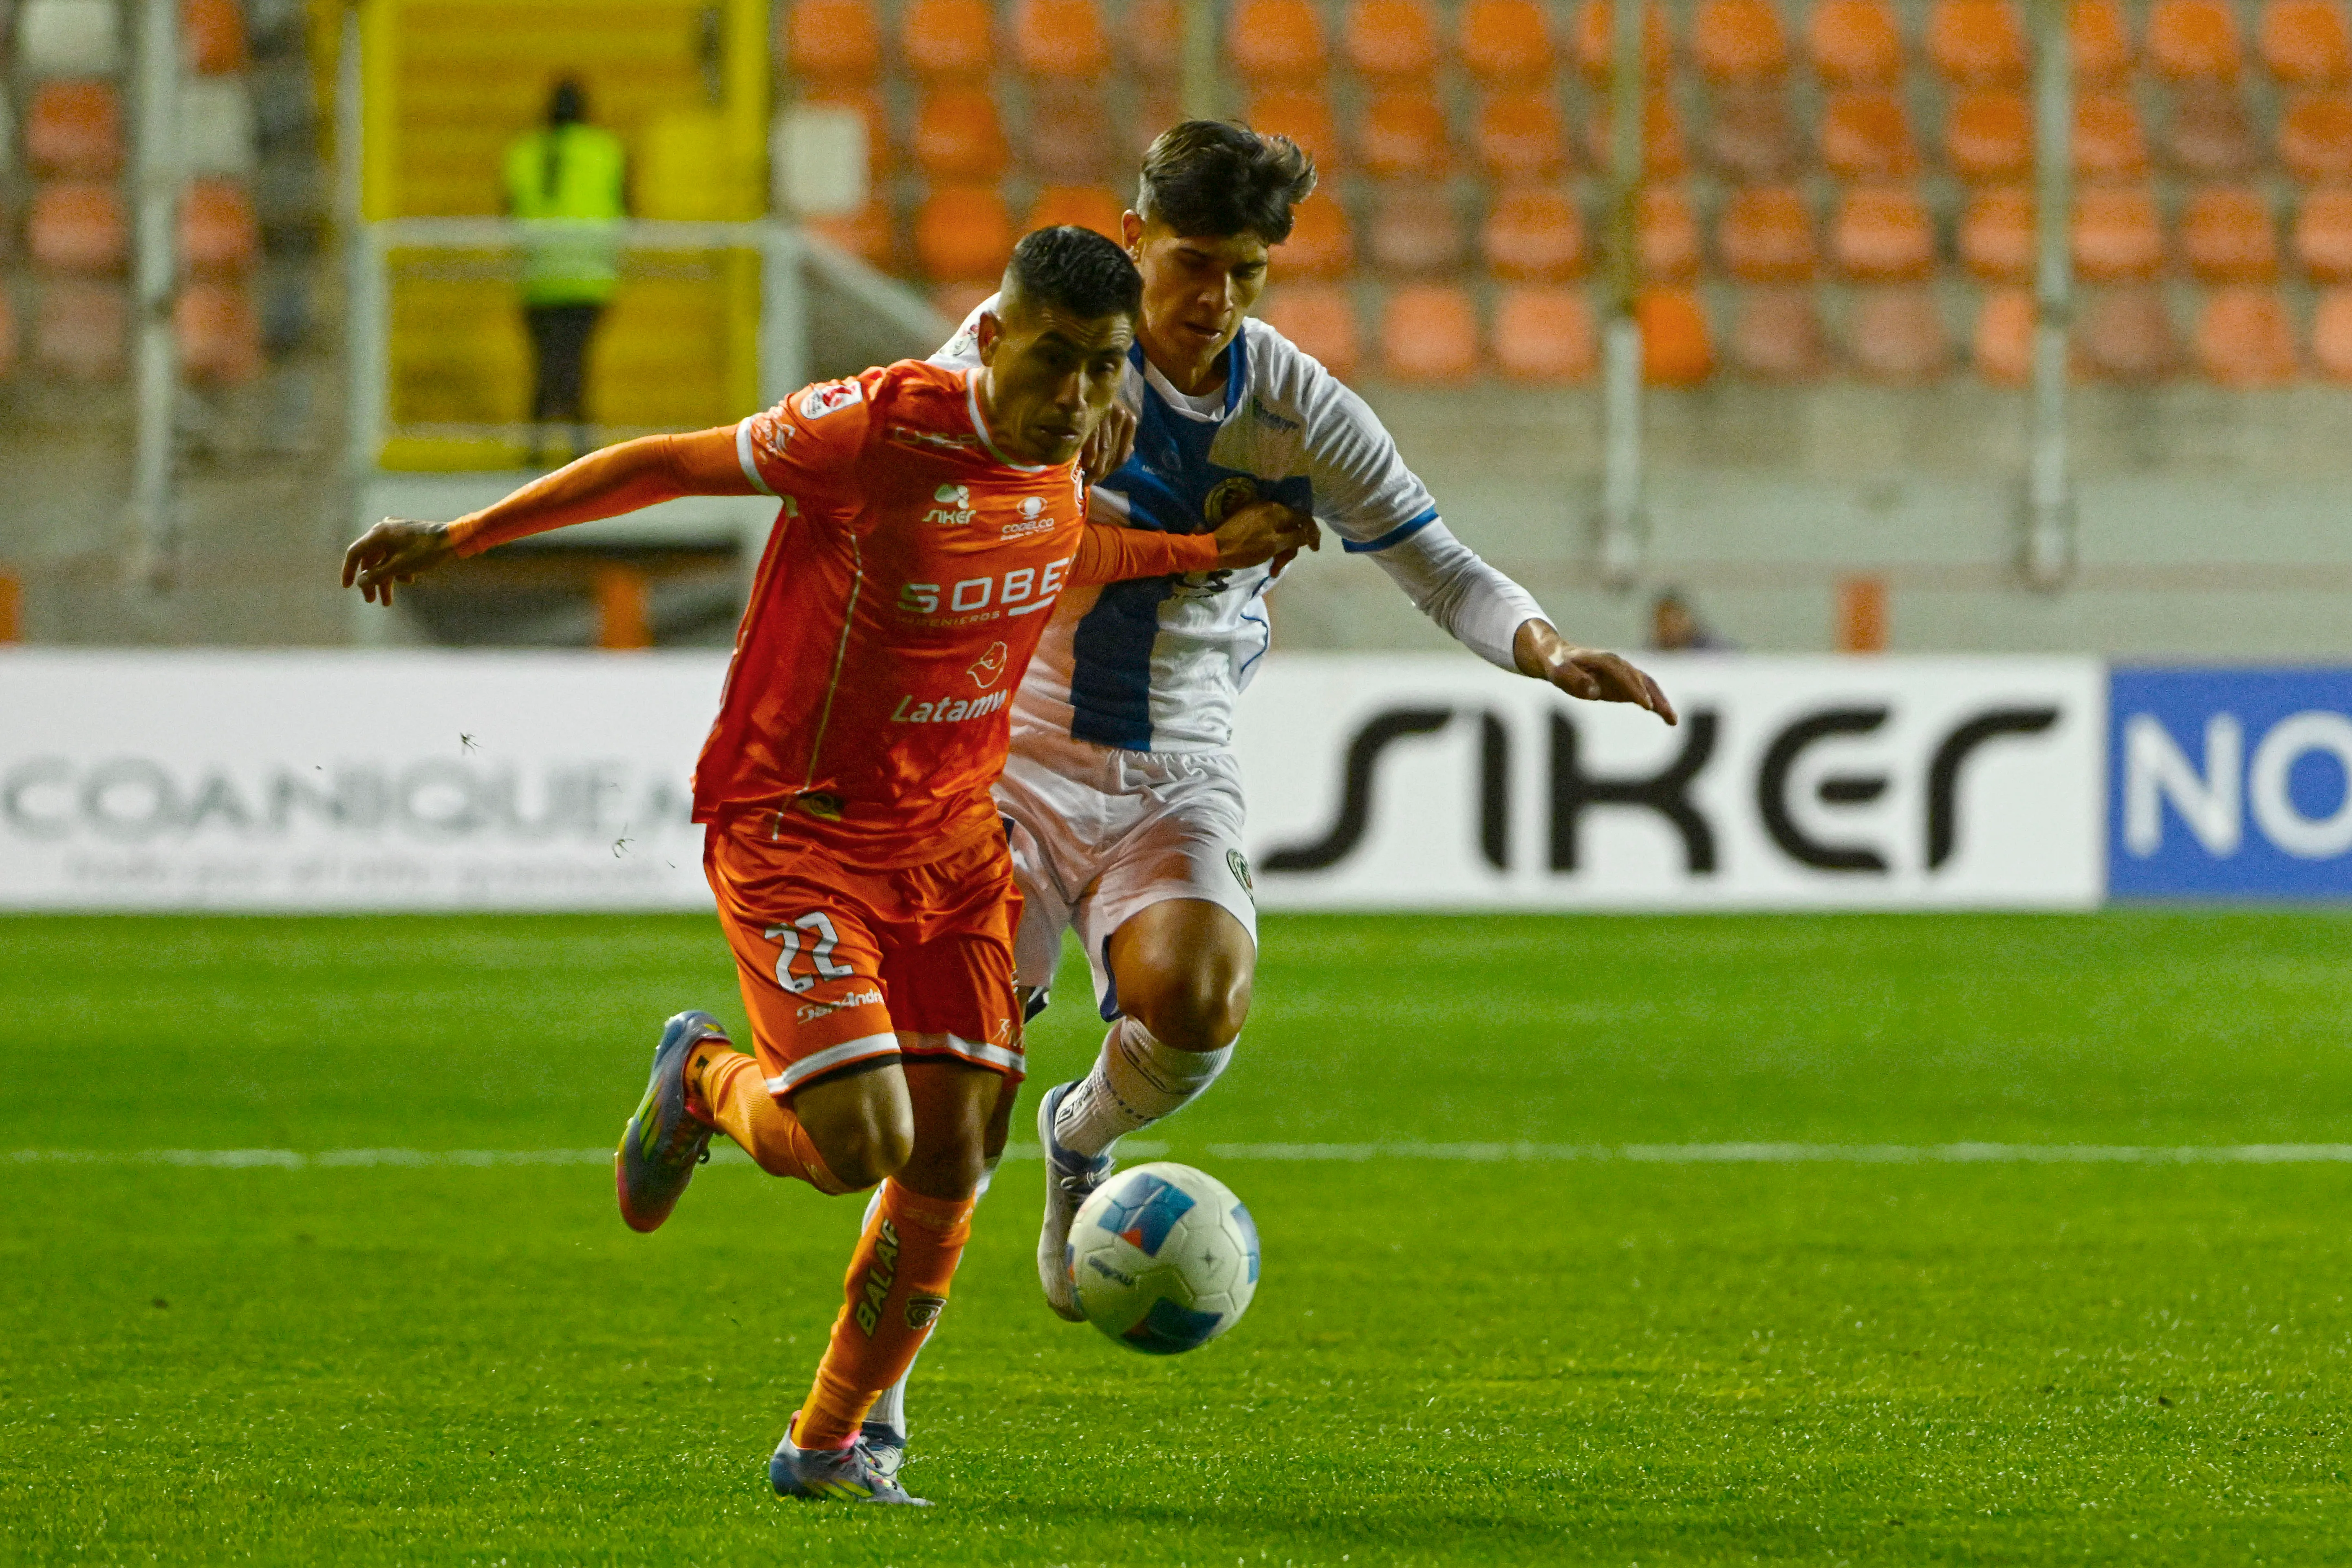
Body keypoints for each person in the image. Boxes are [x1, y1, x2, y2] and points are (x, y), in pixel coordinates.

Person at [339, 227, 1318, 1506]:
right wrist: (467, 532)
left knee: (957, 1148)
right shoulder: (877, 429)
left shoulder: (1072, 455)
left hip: (955, 842)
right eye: (1058, 362)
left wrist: (1202, 553)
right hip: (797, 826)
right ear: (994, 334)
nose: (1077, 397)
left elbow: (1039, 556)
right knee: (856, 1141)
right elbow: (667, 462)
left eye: (1104, 369)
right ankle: (701, 1074)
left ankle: (828, 1443)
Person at [866, 121, 1678, 1472]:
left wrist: (1547, 650)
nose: (1218, 298)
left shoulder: (1298, 410)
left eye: (1246, 272)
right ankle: (875, 1409)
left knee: (1201, 999)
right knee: (951, 1112)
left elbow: (1441, 563)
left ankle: (1086, 1137)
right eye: (1193, 263)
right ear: (1135, 243)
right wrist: (1169, 533)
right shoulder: (1026, 355)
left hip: (1173, 764)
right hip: (997, 748)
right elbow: (945, 524)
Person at [503, 78, 627, 465]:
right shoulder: (605, 150)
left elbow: (508, 209)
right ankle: (579, 451)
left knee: (546, 363)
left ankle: (538, 448)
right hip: (590, 276)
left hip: (538, 277)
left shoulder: (522, 152)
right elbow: (626, 205)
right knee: (574, 363)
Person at [1650, 588, 1734, 651]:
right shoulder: (1651, 654)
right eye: (1664, 621)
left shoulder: (1714, 651)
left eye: (1676, 620)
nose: (1670, 627)